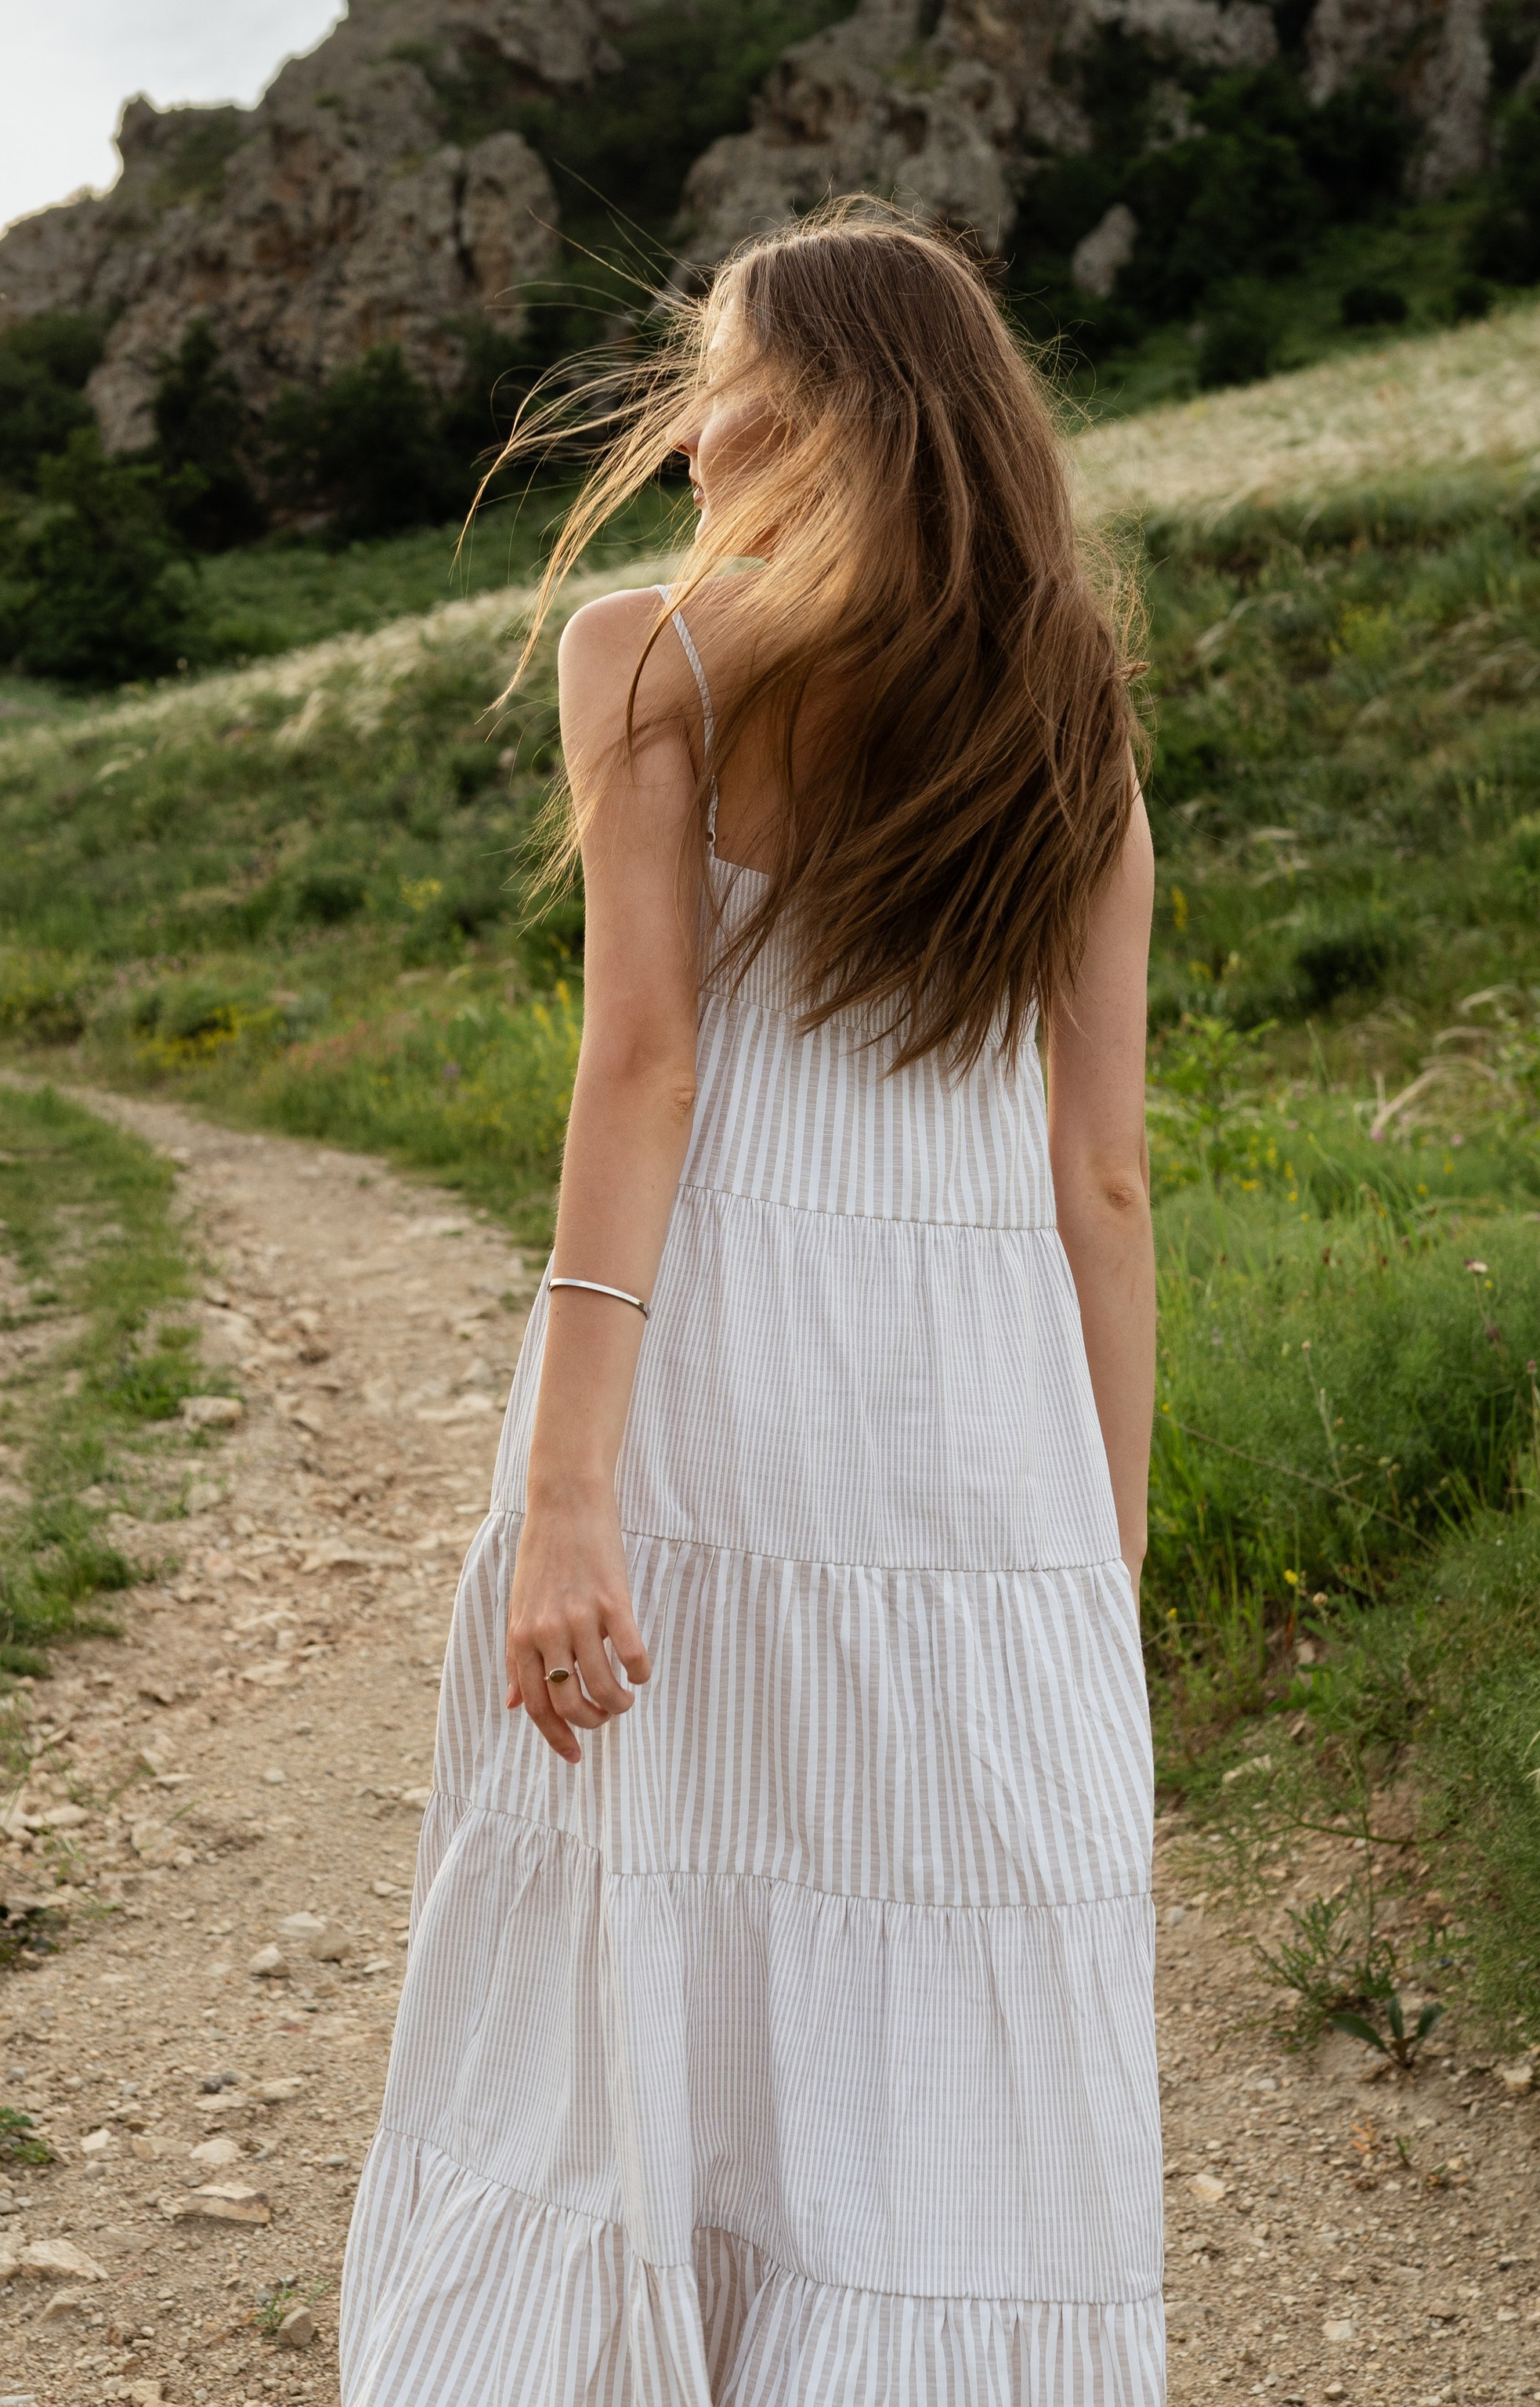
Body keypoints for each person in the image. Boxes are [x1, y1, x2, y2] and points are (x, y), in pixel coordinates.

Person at [341, 201, 1162, 2407]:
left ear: (812, 419)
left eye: (728, 384)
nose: (694, 430)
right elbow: (1102, 1173)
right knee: (941, 2019)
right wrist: (1105, 1561)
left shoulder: (653, 656)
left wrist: (567, 1492)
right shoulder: (1072, 701)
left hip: (715, 1390)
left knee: (654, 1962)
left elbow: (647, 1067)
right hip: (983, 1440)